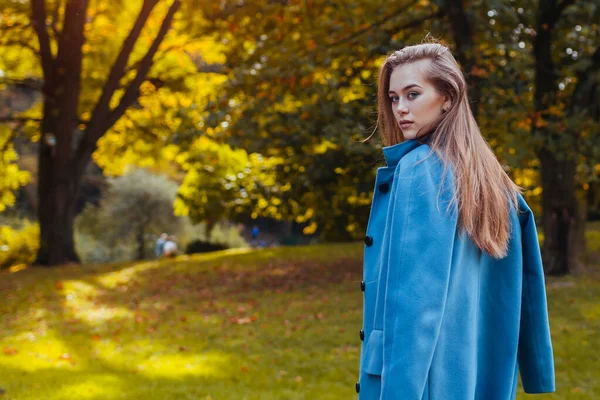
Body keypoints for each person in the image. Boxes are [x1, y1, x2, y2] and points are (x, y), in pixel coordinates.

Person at [356, 40, 555, 399]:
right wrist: (539, 369)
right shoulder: (494, 182)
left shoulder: (419, 174)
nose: (400, 108)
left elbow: (415, 310)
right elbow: (527, 288)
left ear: (448, 97)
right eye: (394, 97)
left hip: (425, 382)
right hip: (483, 372)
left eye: (412, 94)